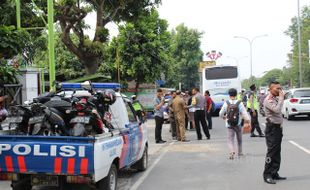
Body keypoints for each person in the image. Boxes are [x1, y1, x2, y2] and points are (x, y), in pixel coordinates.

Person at [263, 81, 286, 184]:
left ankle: (274, 172)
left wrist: (281, 97)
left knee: (277, 152)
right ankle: (267, 174)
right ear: (270, 89)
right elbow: (276, 110)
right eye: (277, 89)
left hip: (277, 129)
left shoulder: (275, 98)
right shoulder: (268, 100)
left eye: (280, 88)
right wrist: (281, 98)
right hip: (272, 129)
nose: (280, 90)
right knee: (271, 152)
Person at [219, 88, 250, 159]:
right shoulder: (239, 103)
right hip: (238, 124)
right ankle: (240, 153)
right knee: (239, 139)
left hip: (229, 124)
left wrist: (224, 117)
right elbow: (244, 113)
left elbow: (220, 113)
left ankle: (232, 151)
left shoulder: (226, 103)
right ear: (236, 94)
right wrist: (248, 121)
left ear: (229, 94)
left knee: (230, 139)